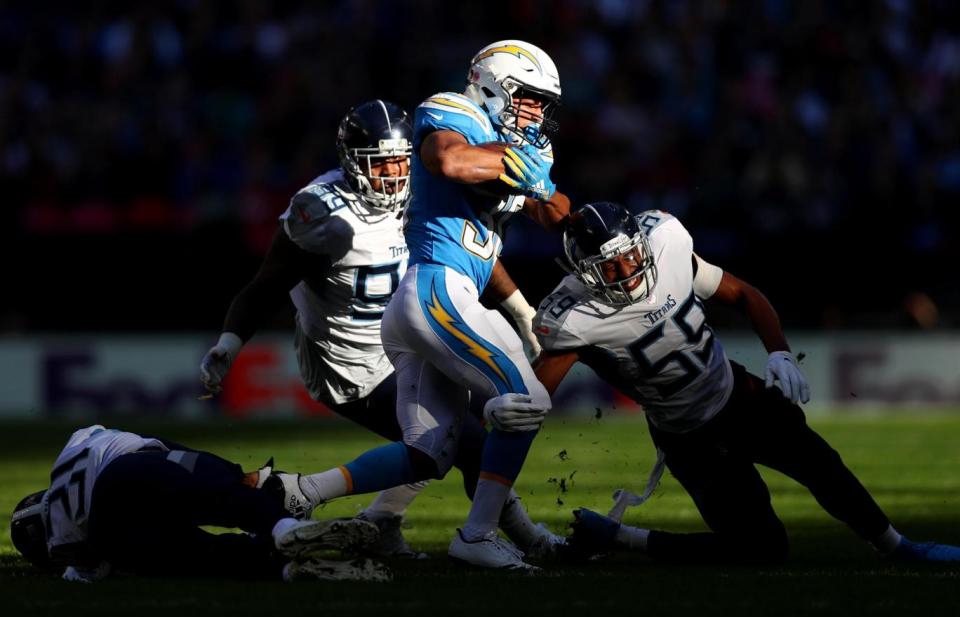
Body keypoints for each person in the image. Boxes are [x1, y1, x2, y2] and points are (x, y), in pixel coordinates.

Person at [198, 99, 557, 560]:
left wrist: (520, 310)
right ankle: (514, 536)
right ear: (351, 161)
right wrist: (229, 343)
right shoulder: (321, 213)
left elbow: (470, 251)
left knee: (445, 435)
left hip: (414, 336)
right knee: (462, 445)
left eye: (399, 161)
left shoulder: (422, 191)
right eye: (380, 163)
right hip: (353, 365)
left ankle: (383, 520)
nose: (392, 174)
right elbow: (266, 286)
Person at [532, 201, 960, 564]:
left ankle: (897, 546)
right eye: (610, 265)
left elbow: (742, 294)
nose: (627, 270)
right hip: (688, 438)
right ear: (584, 272)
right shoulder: (573, 319)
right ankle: (620, 537)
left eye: (630, 255)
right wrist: (505, 411)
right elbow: (534, 398)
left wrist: (779, 351)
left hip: (736, 395)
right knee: (762, 551)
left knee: (821, 462)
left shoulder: (667, 245)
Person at [279, 40, 571, 570]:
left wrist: (539, 180)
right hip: (437, 288)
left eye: (542, 103)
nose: (537, 112)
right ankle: (479, 534)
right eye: (528, 98)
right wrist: (514, 161)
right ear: (494, 85)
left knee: (430, 452)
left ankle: (300, 492)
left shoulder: (524, 146)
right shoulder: (455, 111)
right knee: (525, 400)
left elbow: (554, 215)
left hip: (425, 304)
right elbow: (448, 159)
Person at [9, 425, 391, 582]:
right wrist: (231, 474)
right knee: (222, 498)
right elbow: (162, 449)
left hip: (108, 532)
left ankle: (287, 570)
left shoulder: (61, 545)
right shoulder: (76, 445)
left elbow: (91, 568)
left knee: (207, 555)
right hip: (125, 473)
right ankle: (285, 529)